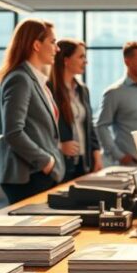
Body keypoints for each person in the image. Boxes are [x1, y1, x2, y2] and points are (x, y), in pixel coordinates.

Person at [0, 19, 66, 204]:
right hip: (27, 176)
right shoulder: (20, 79)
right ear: (36, 45)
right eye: (53, 42)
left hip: (36, 173)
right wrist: (47, 162)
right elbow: (13, 132)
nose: (57, 48)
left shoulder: (35, 80)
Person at [51, 38, 102, 180]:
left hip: (83, 162)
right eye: (81, 57)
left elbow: (89, 125)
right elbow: (42, 129)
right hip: (61, 162)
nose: (86, 61)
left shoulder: (82, 89)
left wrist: (96, 155)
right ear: (66, 60)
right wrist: (59, 146)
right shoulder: (50, 89)